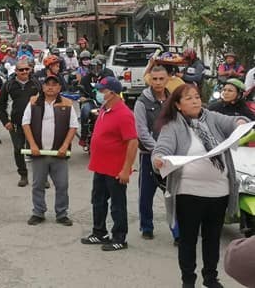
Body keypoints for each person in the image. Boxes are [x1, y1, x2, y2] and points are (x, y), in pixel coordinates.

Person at [152, 84, 247, 288]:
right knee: (188, 240)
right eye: (188, 99)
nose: (195, 101)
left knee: (212, 239)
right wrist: (158, 159)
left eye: (196, 97)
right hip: (189, 194)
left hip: (219, 192)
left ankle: (210, 278)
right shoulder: (173, 126)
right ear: (178, 105)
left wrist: (240, 121)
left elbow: (233, 122)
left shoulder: (211, 117)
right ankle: (188, 280)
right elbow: (161, 149)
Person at [81, 76, 138, 251]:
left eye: (101, 91)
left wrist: (126, 169)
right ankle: (99, 232)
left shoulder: (124, 114)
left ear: (112, 93)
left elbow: (132, 142)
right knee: (98, 200)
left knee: (117, 204)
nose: (98, 93)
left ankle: (120, 237)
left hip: (115, 168)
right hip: (100, 166)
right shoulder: (104, 109)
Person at [22, 75, 78, 226]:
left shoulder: (67, 104)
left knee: (62, 185)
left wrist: (65, 145)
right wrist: (32, 145)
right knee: (38, 184)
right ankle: (38, 212)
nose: (51, 87)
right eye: (48, 84)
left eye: (54, 84)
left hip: (59, 153)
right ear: (43, 87)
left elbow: (73, 126)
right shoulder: (33, 102)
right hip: (38, 153)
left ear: (59, 88)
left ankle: (61, 214)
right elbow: (25, 123)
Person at [134, 65, 178, 242]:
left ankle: (177, 232)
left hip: (172, 157)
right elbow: (141, 131)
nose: (158, 82)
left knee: (173, 195)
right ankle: (146, 226)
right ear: (150, 80)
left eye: (161, 78)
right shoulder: (141, 102)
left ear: (168, 79)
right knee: (146, 193)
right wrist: (157, 151)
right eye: (155, 79)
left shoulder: (174, 101)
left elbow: (179, 126)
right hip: (148, 155)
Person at [0, 60, 42, 186]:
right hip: (16, 124)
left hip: (34, 123)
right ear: (16, 71)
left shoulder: (36, 84)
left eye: (27, 69)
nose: (24, 72)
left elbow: (44, 102)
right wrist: (5, 121)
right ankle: (23, 175)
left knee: (37, 150)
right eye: (21, 70)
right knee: (18, 149)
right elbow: (0, 105)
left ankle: (41, 177)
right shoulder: (9, 85)